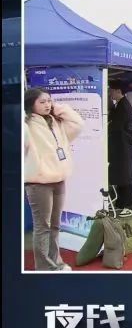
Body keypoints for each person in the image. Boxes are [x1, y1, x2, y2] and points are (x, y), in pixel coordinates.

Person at [23, 88, 83, 271]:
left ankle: (56, 262)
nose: (47, 105)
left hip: (59, 179)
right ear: (31, 104)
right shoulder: (27, 124)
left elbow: (78, 124)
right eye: (42, 102)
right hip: (38, 183)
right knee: (43, 227)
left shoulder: (55, 121)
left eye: (49, 101)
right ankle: (44, 267)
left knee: (55, 225)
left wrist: (58, 108)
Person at [107, 81, 132, 217]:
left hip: (123, 146)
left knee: (126, 175)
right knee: (121, 175)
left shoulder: (124, 105)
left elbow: (119, 127)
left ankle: (130, 206)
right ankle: (121, 202)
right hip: (119, 146)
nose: (110, 93)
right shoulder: (119, 104)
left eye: (111, 91)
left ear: (118, 91)